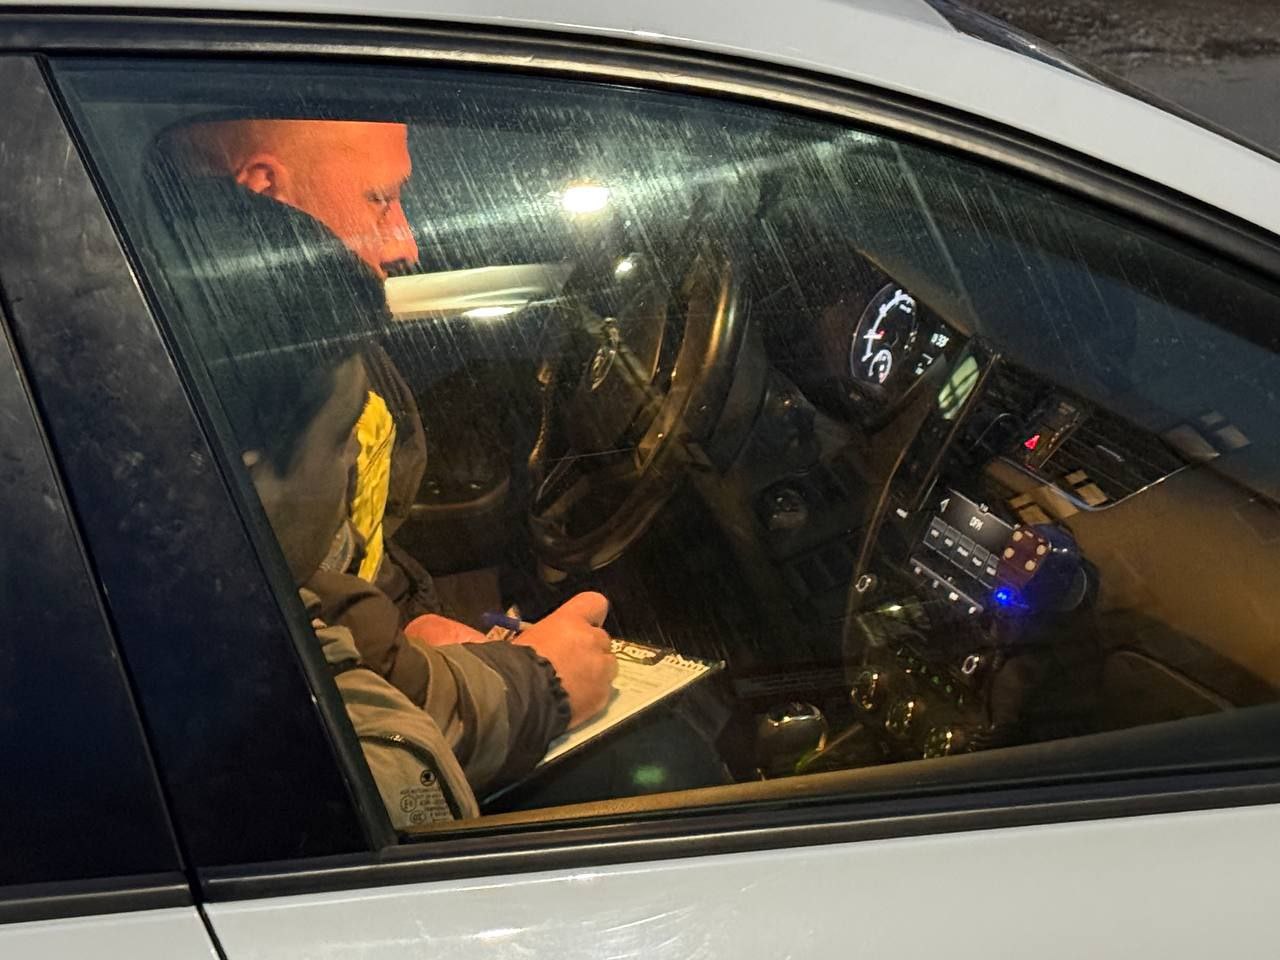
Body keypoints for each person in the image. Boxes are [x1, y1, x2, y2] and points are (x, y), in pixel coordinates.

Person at [156, 178, 617, 826]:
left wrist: (508, 672)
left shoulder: (201, 599)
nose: (352, 460)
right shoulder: (276, 744)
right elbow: (386, 766)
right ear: (241, 476)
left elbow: (337, 646)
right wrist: (542, 686)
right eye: (340, 435)